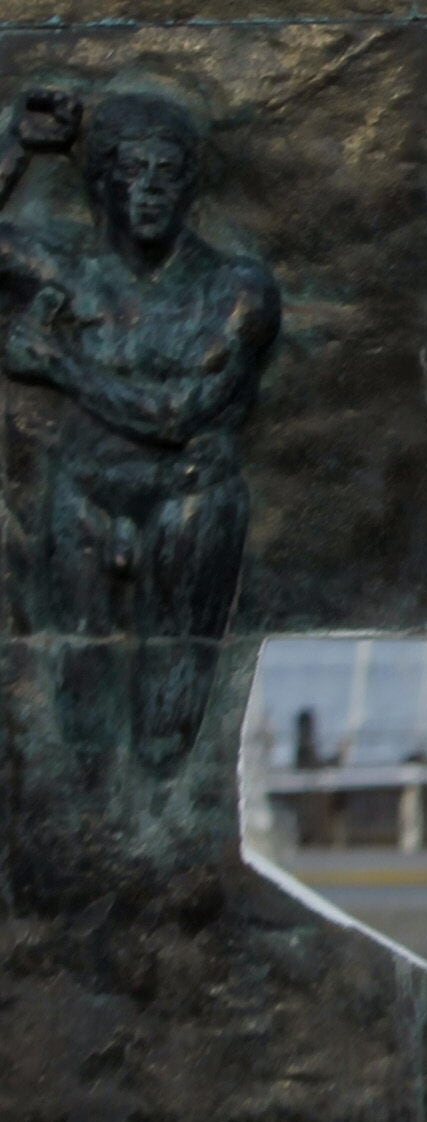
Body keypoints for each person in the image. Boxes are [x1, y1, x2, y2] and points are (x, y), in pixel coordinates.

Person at [0, 87, 280, 770]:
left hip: (190, 501)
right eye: (132, 172)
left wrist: (58, 364)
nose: (150, 191)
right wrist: (16, 146)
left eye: (167, 173)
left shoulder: (237, 288)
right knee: (80, 730)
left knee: (167, 739)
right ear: (102, 185)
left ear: (189, 188)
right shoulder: (70, 271)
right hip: (83, 500)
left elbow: (183, 413)